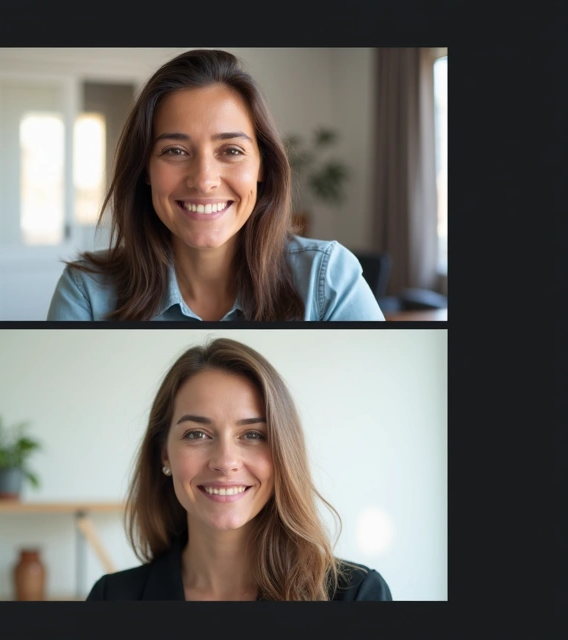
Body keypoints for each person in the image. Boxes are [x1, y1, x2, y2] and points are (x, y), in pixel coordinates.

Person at [47, 49, 383, 321]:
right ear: (144, 169)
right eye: (175, 151)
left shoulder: (327, 280)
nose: (204, 180)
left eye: (231, 151)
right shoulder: (86, 292)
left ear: (262, 166)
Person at [86, 338, 391, 600]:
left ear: (284, 452)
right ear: (164, 454)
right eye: (196, 434)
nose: (225, 461)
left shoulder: (356, 596)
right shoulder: (110, 598)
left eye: (253, 435)